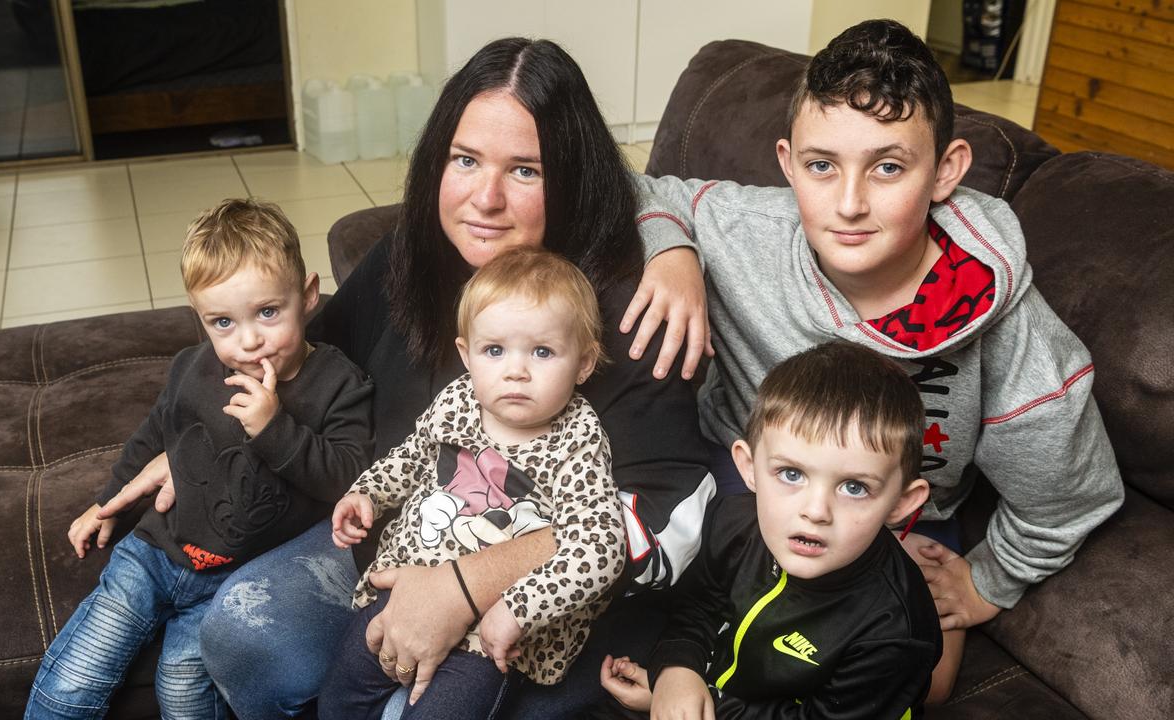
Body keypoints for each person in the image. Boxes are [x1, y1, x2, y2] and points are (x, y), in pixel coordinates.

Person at [100, 38, 713, 719]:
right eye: (466, 160)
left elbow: (664, 522)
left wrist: (463, 586)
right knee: (242, 634)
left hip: (539, 612)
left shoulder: (628, 311)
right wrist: (195, 445)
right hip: (395, 544)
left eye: (526, 172)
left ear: (571, 179)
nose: (485, 198)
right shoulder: (407, 257)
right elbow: (297, 369)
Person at [629, 19, 1124, 702]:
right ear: (787, 161)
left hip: (885, 517)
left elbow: (1073, 496)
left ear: (945, 169)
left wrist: (988, 580)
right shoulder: (750, 229)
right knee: (635, 603)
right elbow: (639, 188)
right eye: (821, 165)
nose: (850, 204)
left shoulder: (1015, 337)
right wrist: (671, 251)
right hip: (745, 482)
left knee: (929, 683)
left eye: (888, 166)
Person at [24, 199, 374, 719]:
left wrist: (274, 427)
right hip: (153, 552)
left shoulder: (339, 384)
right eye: (222, 322)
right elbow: (151, 438)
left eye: (268, 313)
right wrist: (106, 507)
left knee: (183, 694)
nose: (249, 340)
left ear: (308, 295)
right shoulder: (192, 368)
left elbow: (347, 475)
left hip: (234, 576)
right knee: (74, 679)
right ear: (201, 320)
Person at [323, 247, 626, 717]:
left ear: (584, 364)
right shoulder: (459, 400)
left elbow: (600, 546)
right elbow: (412, 455)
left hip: (492, 635)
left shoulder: (578, 438)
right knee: (342, 691)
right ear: (467, 354)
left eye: (543, 351)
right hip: (409, 587)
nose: (516, 370)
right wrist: (369, 492)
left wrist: (519, 609)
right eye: (495, 350)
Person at [599, 341, 942, 718]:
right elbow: (699, 604)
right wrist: (677, 669)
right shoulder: (734, 522)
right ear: (748, 467)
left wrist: (706, 706)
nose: (814, 511)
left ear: (901, 503)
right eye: (791, 474)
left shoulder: (895, 631)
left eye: (854, 487)